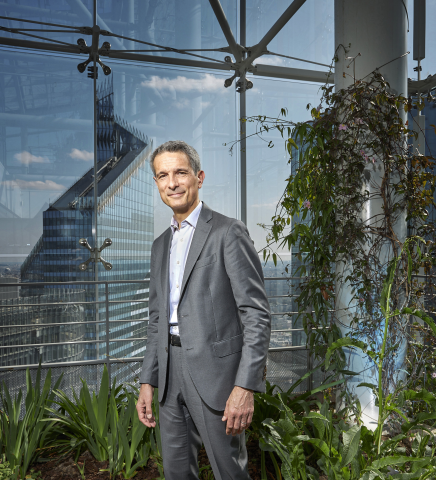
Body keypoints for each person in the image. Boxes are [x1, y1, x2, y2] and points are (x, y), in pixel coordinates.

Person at [136, 140, 271, 480]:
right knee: (176, 473)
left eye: (180, 172)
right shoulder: (159, 246)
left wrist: (245, 387)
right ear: (156, 184)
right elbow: (157, 319)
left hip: (218, 377)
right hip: (168, 376)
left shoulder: (228, 232)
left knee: (230, 472)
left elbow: (255, 313)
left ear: (199, 177)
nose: (172, 183)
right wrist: (147, 380)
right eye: (162, 175)